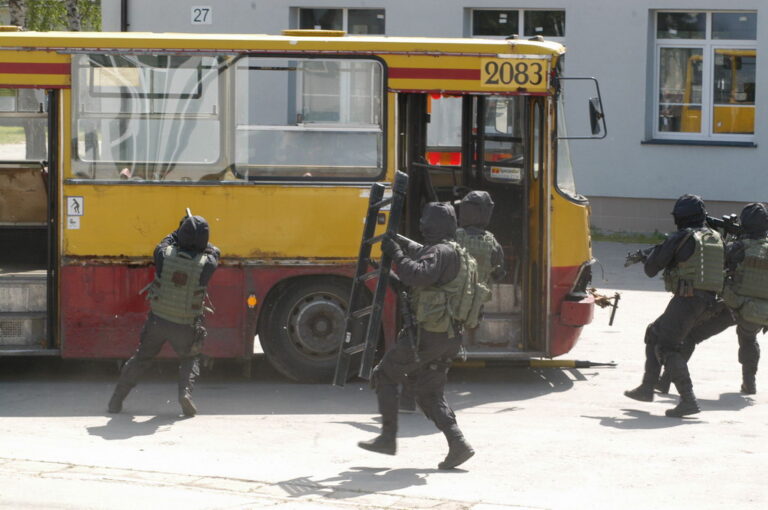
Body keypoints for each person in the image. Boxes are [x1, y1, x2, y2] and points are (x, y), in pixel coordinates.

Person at [358, 202, 479, 470]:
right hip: (448, 337)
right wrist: (398, 243)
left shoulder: (438, 252)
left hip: (427, 336)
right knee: (429, 393)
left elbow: (418, 274)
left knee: (385, 374)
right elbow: (422, 260)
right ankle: (458, 444)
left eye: (426, 220)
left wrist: (397, 254)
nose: (422, 224)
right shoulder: (455, 252)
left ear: (436, 224)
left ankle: (387, 438)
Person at [399, 190, 505, 413]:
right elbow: (499, 273)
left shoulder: (451, 237)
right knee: (439, 356)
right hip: (465, 310)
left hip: (436, 304)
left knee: (420, 347)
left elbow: (427, 261)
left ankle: (411, 399)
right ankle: (428, 398)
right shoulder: (492, 243)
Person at [107, 215, 220, 417]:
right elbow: (214, 250)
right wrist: (198, 238)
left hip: (158, 320)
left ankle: (116, 400)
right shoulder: (208, 263)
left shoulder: (163, 254)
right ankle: (184, 394)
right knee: (190, 358)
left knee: (141, 358)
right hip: (185, 324)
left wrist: (181, 229)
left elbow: (167, 240)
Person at [624, 194, 724, 417]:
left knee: (667, 347)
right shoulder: (714, 237)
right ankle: (647, 387)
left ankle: (688, 401)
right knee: (653, 332)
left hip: (687, 300)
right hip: (709, 302)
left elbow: (651, 270)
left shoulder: (680, 237)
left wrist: (650, 255)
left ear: (680, 217)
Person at [655, 203, 768, 395]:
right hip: (758, 312)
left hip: (731, 307)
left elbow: (716, 269)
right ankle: (750, 383)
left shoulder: (738, 248)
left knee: (691, 336)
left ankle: (666, 381)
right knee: (749, 339)